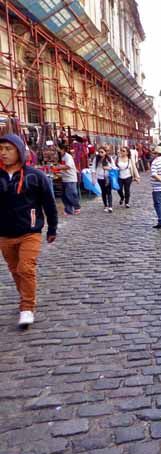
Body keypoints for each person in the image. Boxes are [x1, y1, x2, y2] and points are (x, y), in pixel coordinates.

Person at [0, 133, 58, 328]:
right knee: (15, 270)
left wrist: (52, 228)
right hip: (5, 233)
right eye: (1, 149)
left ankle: (27, 307)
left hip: (30, 232)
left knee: (26, 268)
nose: (3, 153)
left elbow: (49, 203)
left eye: (8, 149)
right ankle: (26, 295)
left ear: (19, 151)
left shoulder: (35, 176)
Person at [58, 143, 81, 216]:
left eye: (58, 149)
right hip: (65, 178)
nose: (57, 151)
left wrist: (58, 167)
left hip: (70, 178)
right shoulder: (61, 157)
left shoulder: (68, 157)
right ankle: (68, 210)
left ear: (63, 149)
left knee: (70, 194)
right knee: (64, 195)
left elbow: (68, 166)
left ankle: (77, 207)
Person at [92, 146, 115, 212]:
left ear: (105, 152)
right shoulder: (96, 159)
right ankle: (105, 205)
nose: (100, 153)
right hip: (100, 177)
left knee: (109, 191)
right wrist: (93, 178)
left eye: (102, 152)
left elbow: (113, 167)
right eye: (99, 152)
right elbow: (93, 168)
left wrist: (107, 168)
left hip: (108, 177)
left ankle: (110, 206)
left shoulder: (109, 158)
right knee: (103, 192)